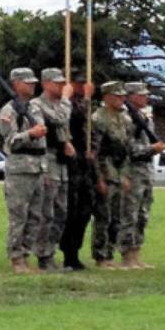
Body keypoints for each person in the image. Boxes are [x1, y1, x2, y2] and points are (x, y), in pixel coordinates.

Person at [0, 67, 47, 274]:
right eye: (27, 82)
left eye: (33, 82)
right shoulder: (8, 112)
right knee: (19, 216)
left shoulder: (34, 108)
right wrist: (30, 134)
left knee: (35, 217)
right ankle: (16, 258)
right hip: (19, 170)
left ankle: (26, 255)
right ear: (16, 84)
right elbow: (10, 143)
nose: (32, 85)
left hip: (37, 167)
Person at [32, 67, 74, 271]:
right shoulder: (37, 105)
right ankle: (43, 255)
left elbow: (63, 130)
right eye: (57, 83)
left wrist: (67, 142)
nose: (62, 86)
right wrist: (66, 99)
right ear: (46, 83)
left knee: (61, 212)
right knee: (46, 212)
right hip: (47, 162)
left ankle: (51, 251)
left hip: (61, 163)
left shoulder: (59, 105)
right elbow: (59, 120)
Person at [90, 81, 134, 270]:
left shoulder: (124, 118)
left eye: (123, 95)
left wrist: (125, 175)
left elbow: (126, 149)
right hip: (105, 170)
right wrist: (99, 178)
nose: (121, 99)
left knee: (117, 217)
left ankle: (110, 252)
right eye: (117, 96)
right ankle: (101, 255)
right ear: (107, 97)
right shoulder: (98, 119)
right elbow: (95, 152)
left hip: (118, 170)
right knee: (103, 216)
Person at [124, 81, 165, 269]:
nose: (145, 97)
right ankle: (127, 254)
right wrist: (151, 149)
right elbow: (129, 148)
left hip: (146, 171)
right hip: (132, 170)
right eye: (141, 94)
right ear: (130, 96)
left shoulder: (144, 116)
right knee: (130, 214)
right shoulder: (126, 117)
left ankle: (136, 252)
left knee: (143, 214)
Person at [59, 72, 95, 270]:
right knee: (71, 210)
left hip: (84, 162)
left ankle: (75, 252)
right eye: (80, 84)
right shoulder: (66, 104)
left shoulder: (82, 103)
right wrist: (87, 98)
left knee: (85, 210)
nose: (84, 87)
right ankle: (68, 253)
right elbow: (75, 116)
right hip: (70, 163)